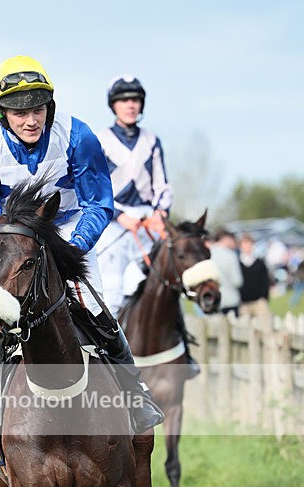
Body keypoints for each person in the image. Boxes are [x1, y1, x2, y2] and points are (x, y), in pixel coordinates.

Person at [0, 55, 164, 446]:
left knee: (96, 306)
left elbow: (99, 202)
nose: (31, 121)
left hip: (69, 227)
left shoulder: (78, 136)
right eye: (19, 113)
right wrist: (10, 246)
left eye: (38, 109)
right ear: (2, 114)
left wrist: (71, 249)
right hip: (13, 237)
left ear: (49, 107)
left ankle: (135, 395)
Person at [95, 74, 199, 377]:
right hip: (113, 221)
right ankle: (105, 361)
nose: (130, 105)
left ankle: (184, 353)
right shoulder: (100, 140)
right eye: (124, 99)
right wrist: (118, 214)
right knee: (112, 289)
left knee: (168, 281)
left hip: (149, 222)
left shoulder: (152, 141)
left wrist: (159, 213)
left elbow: (162, 186)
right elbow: (95, 187)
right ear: (114, 105)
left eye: (135, 99)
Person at [210, 229, 243, 317]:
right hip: (230, 300)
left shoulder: (208, 254)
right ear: (226, 239)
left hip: (213, 300)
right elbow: (237, 281)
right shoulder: (230, 255)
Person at [238, 235, 271, 322]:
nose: (247, 247)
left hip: (259, 301)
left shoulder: (260, 263)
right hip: (243, 303)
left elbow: (265, 282)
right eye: (245, 244)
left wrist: (264, 297)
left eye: (249, 244)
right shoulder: (237, 264)